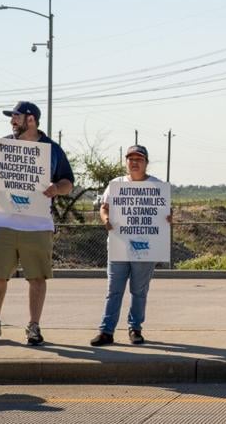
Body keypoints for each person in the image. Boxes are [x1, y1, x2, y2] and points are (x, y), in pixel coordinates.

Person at [0, 101, 74, 346]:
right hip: (1, 221)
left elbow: (68, 182)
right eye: (12, 117)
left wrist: (56, 189)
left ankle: (33, 326)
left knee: (37, 278)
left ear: (31, 119)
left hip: (37, 224)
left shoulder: (51, 149)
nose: (12, 121)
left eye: (16, 116)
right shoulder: (4, 146)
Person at [90, 145, 171, 346]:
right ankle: (106, 331)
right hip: (119, 245)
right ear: (126, 162)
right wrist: (106, 219)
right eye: (131, 159)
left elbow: (166, 213)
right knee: (113, 290)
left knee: (139, 290)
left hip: (146, 247)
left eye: (139, 159)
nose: (134, 162)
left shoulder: (156, 185)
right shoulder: (116, 184)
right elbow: (104, 207)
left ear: (146, 163)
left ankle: (135, 328)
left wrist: (168, 219)